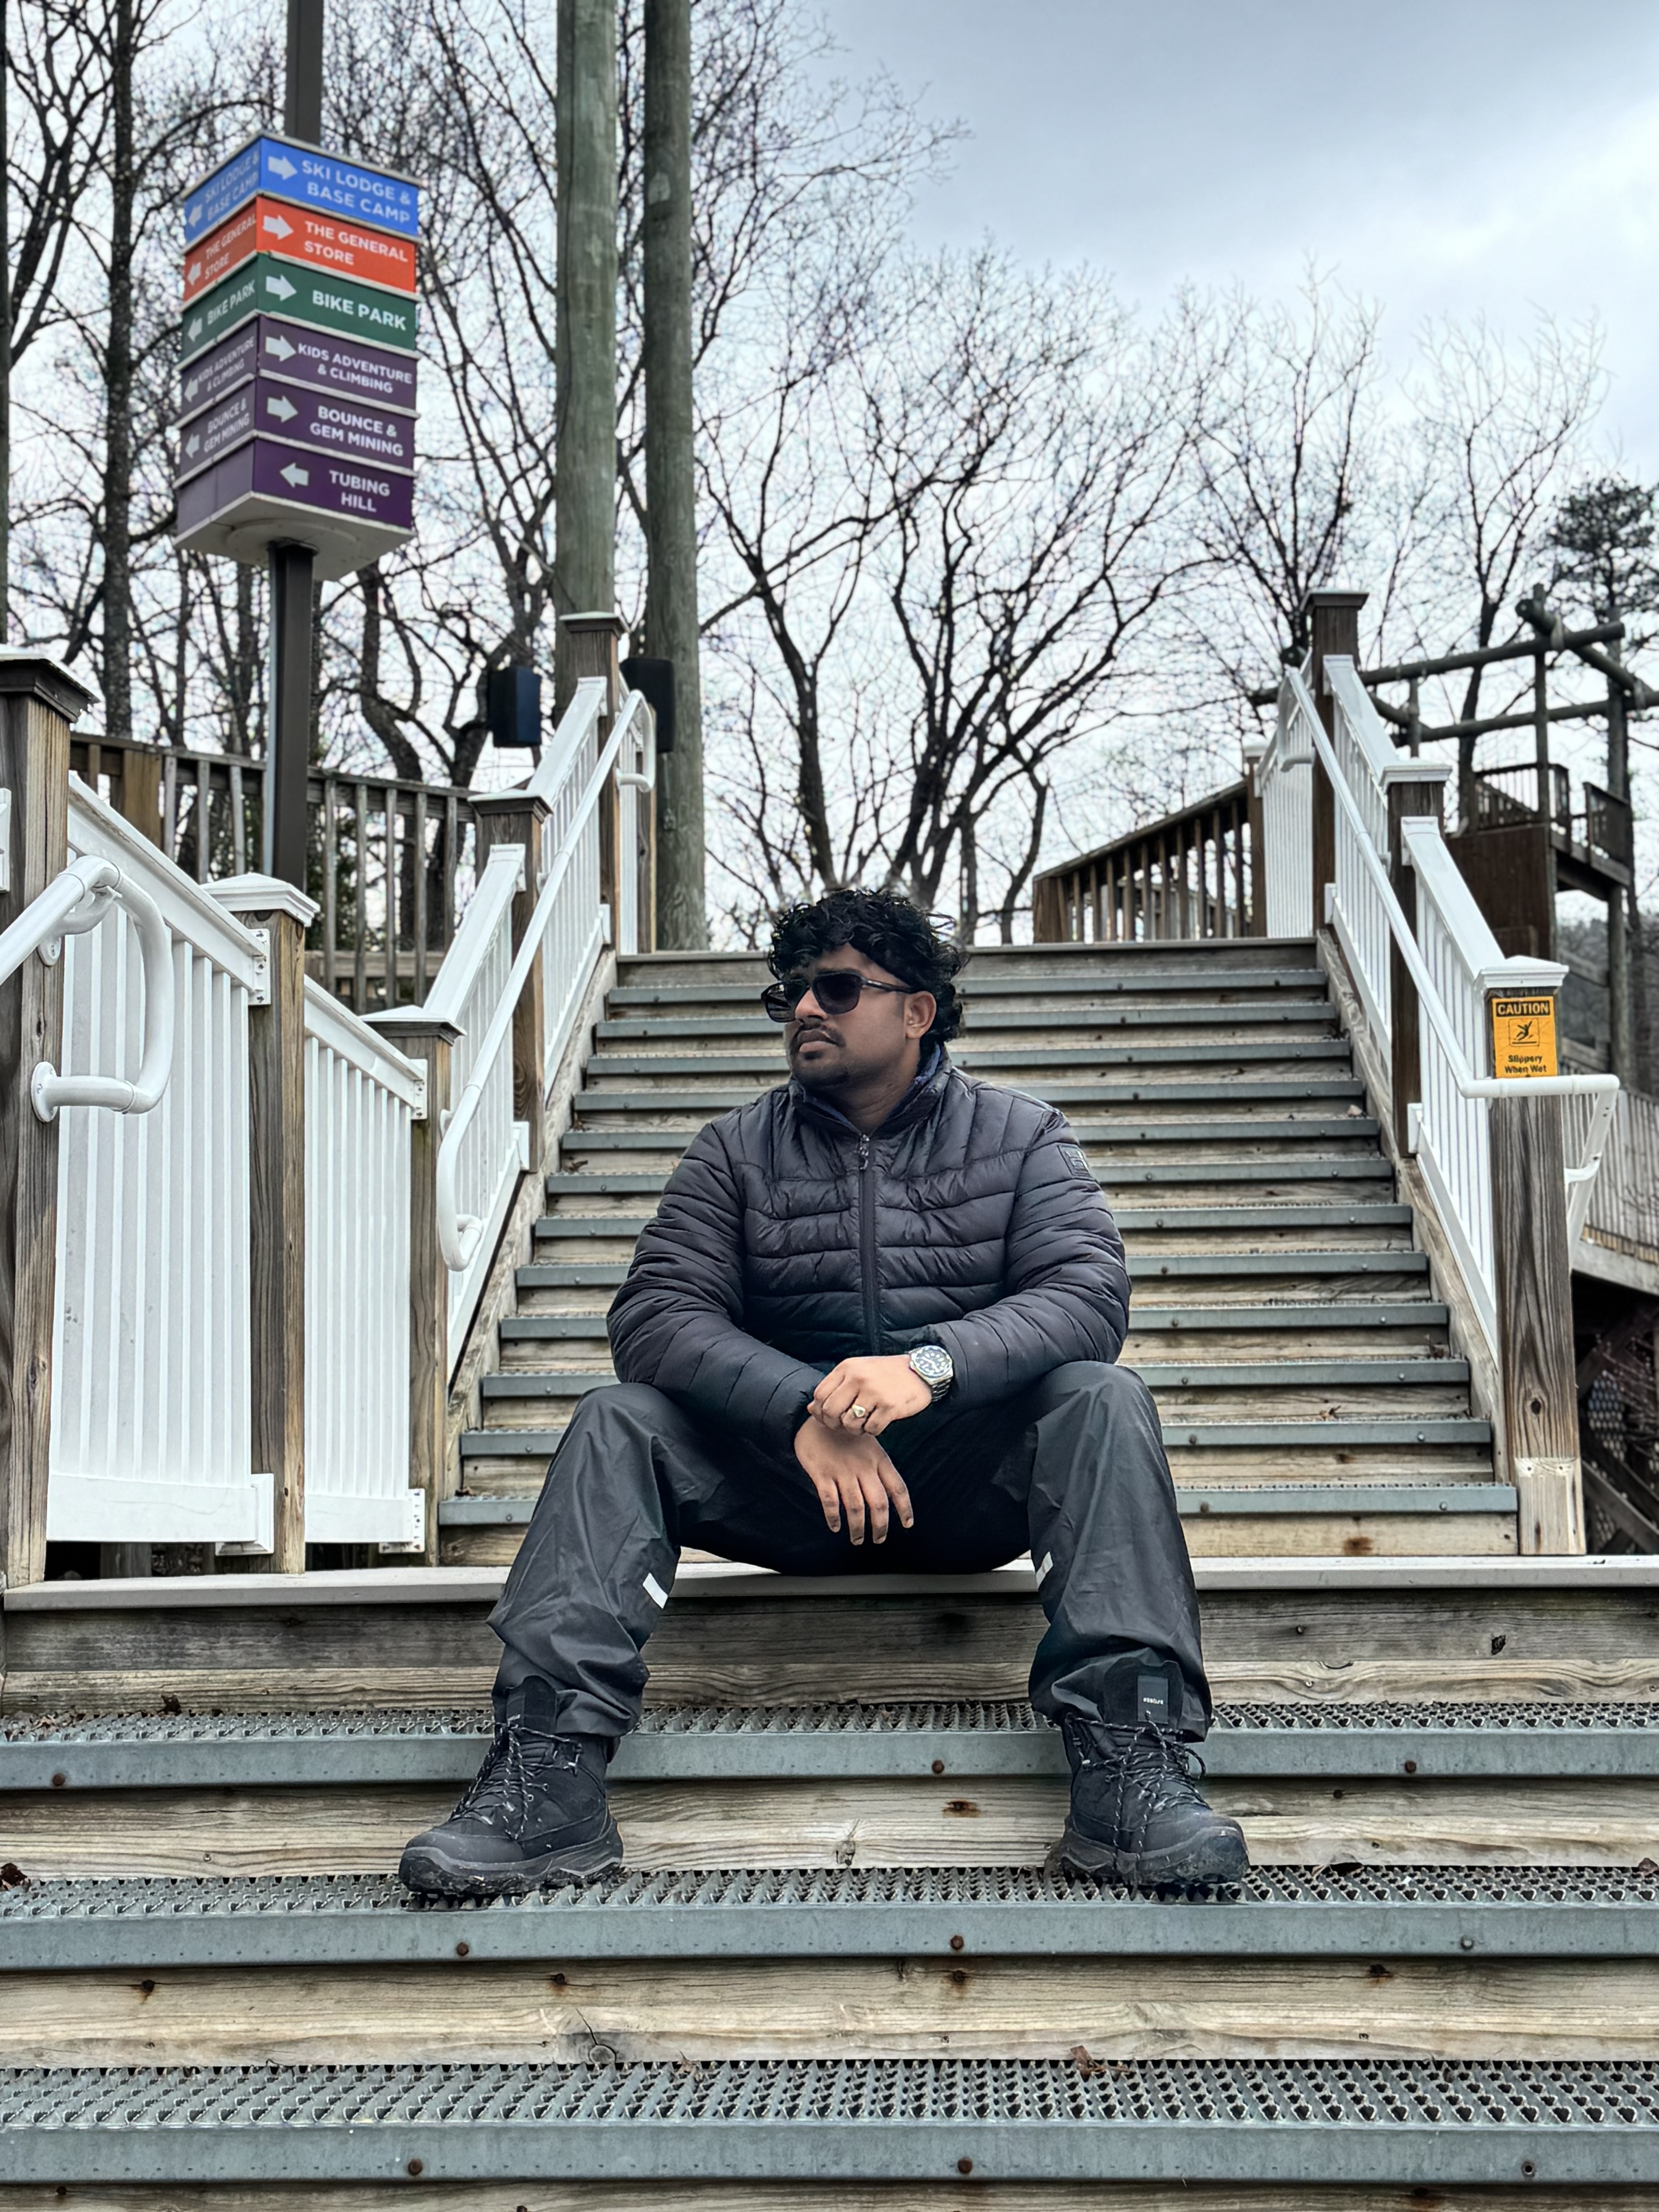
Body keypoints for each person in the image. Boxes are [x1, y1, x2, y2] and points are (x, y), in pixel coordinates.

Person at [400, 888, 1247, 1898]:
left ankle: (1130, 1766)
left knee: (1101, 1397)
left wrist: (926, 1369)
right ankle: (547, 1778)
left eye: (837, 988)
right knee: (616, 1420)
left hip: (966, 1483)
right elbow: (656, 1318)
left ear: (917, 1010)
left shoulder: (1022, 1137)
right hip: (788, 1489)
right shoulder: (733, 1151)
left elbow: (1086, 1296)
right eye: (791, 992)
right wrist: (806, 1408)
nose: (806, 1007)